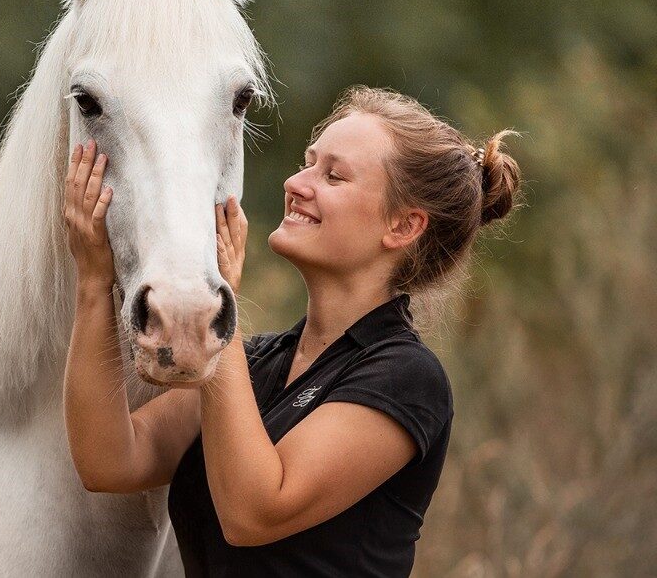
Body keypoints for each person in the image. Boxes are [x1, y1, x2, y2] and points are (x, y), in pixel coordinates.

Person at [62, 86, 522, 576]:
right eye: (307, 163)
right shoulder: (259, 363)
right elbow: (109, 461)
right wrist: (94, 280)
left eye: (333, 176)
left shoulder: (407, 378)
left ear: (403, 227)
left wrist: (219, 301)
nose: (297, 183)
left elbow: (254, 513)